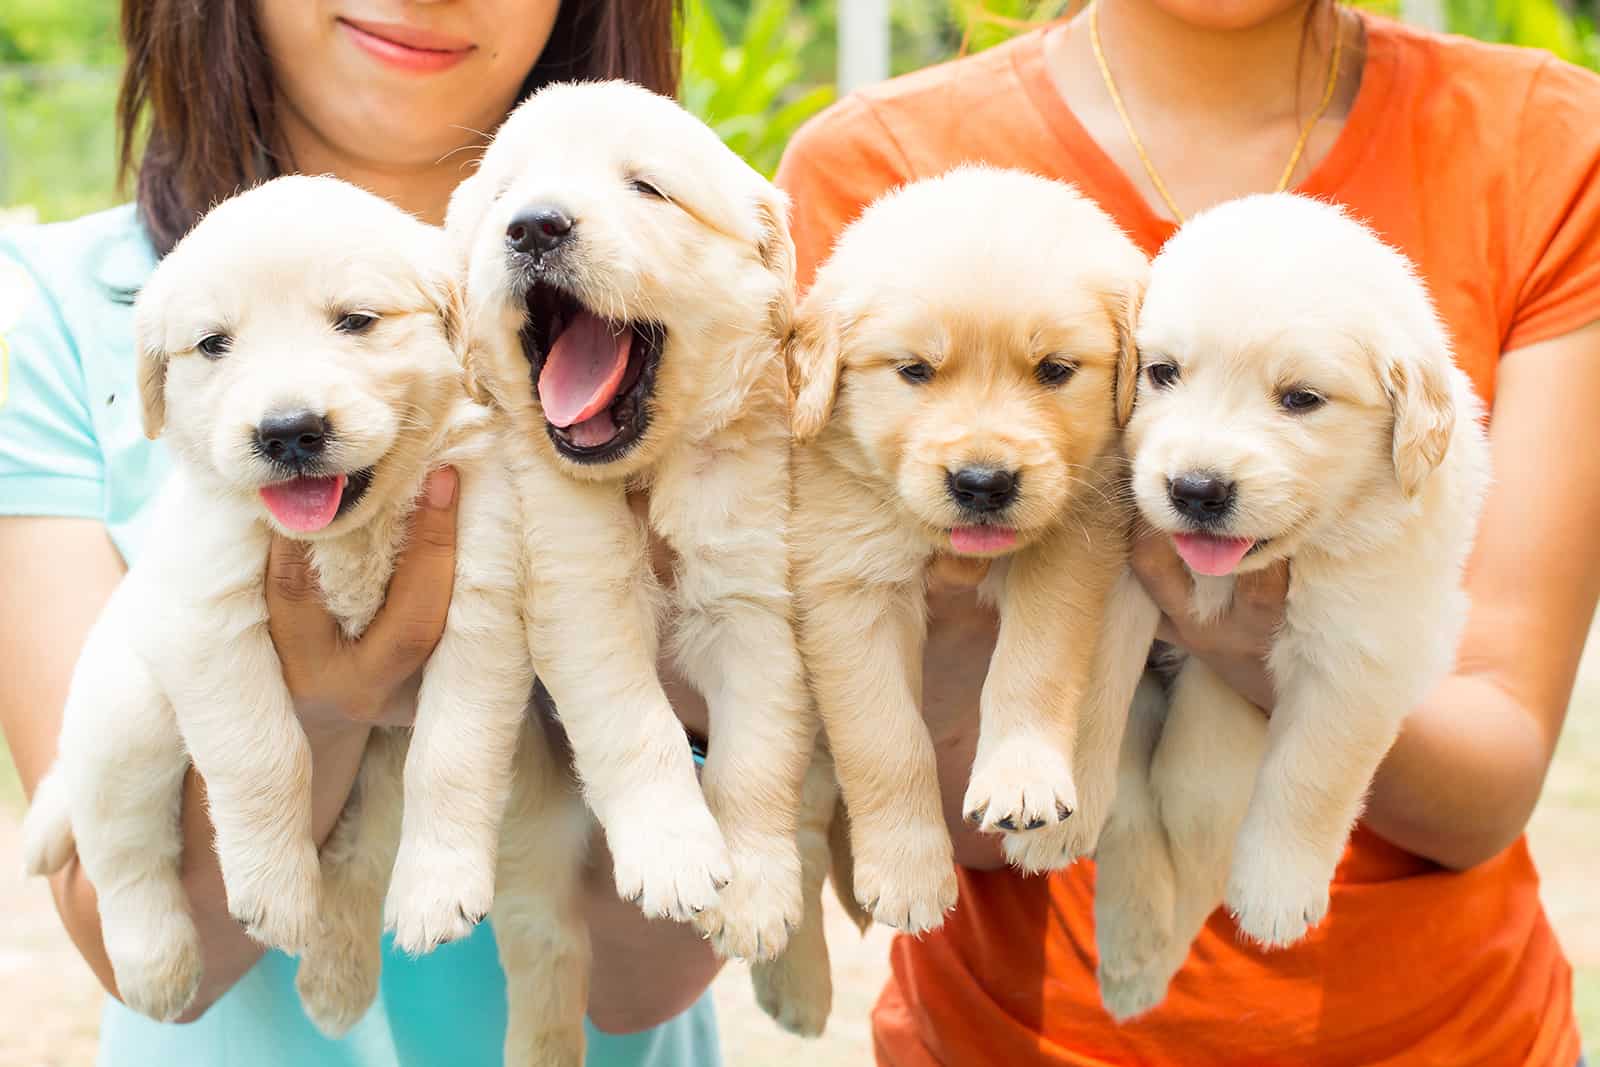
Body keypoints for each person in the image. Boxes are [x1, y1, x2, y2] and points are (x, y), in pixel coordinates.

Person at [775, 1, 1600, 1064]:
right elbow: (938, 813)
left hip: (1452, 1032)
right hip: (1013, 1034)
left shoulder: (1545, 141)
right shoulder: (882, 172)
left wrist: (1236, 627)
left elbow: (1486, 774)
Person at [0, 2, 728, 1064]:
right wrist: (328, 711)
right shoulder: (57, 319)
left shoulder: (669, 313)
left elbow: (643, 983)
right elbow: (145, 954)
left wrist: (677, 691)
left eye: (359, 321)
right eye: (215, 344)